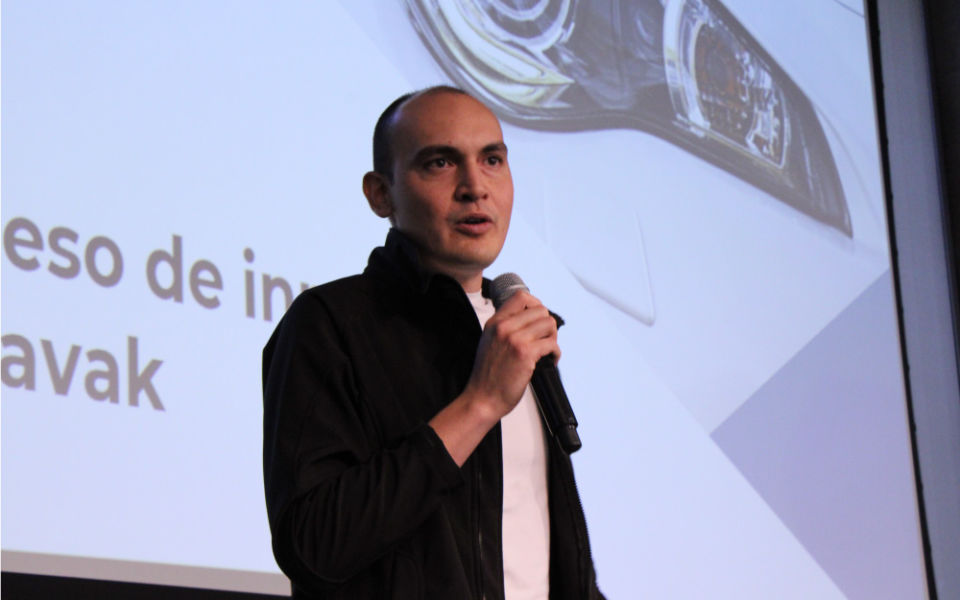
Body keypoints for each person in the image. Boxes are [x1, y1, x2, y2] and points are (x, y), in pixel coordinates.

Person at [262, 86, 604, 599]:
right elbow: (315, 545)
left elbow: (543, 555)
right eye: (440, 163)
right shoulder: (330, 324)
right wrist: (480, 403)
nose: (475, 187)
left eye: (492, 160)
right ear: (381, 194)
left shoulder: (516, 333)